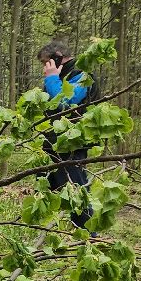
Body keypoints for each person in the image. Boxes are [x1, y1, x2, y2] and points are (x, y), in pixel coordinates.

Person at [36, 41, 94, 229]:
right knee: (47, 184)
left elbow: (64, 102)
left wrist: (52, 78)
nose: (45, 67)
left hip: (72, 143)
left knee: (74, 187)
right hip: (53, 141)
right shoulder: (61, 75)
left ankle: (88, 233)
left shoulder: (82, 75)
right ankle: (49, 228)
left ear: (57, 57)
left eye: (46, 62)